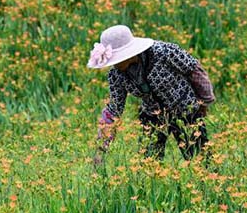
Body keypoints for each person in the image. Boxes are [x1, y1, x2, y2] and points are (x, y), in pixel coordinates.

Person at [88, 24, 215, 166]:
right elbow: (114, 109)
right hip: (152, 115)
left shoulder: (164, 52)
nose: (113, 65)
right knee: (148, 164)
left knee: (200, 160)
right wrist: (101, 149)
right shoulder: (116, 75)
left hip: (184, 110)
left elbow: (194, 70)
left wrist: (204, 103)